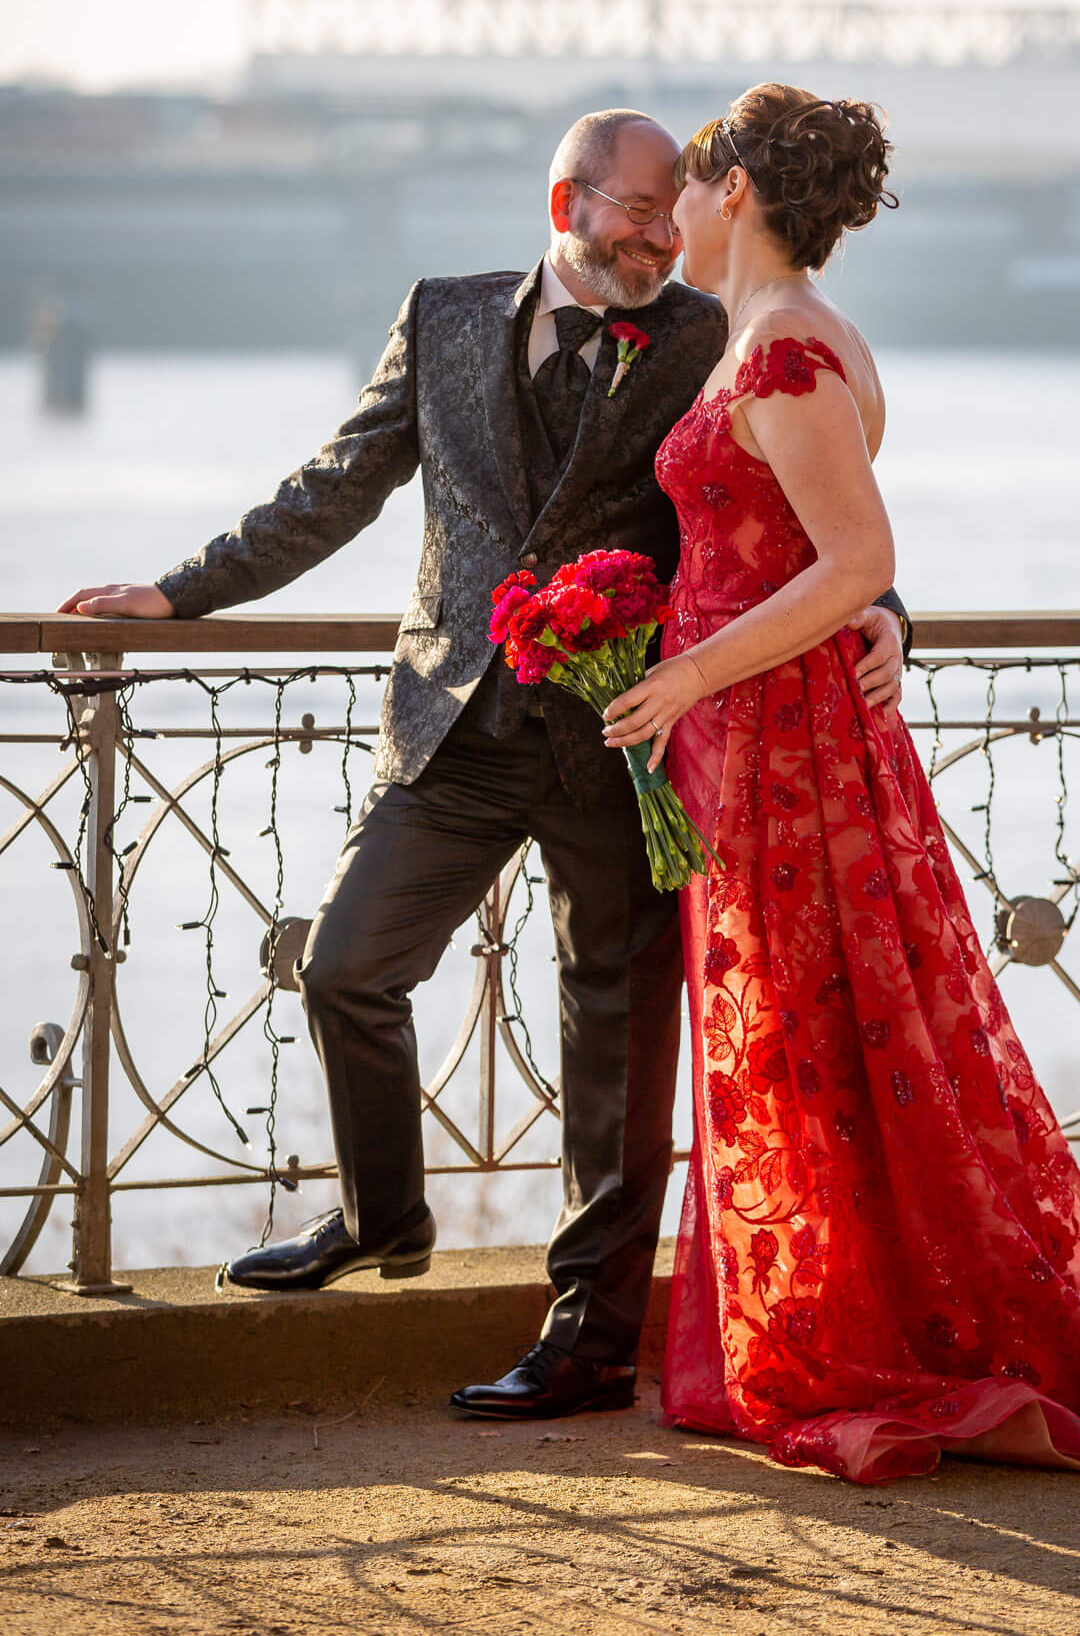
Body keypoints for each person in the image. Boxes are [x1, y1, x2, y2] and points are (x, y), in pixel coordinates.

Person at [57, 105, 909, 1423]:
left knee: (617, 1046)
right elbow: (337, 486)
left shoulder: (717, 331)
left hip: (625, 745)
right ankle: (379, 1217)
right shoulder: (444, 315)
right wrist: (181, 593)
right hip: (452, 728)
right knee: (347, 966)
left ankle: (589, 1343)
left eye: (670, 210)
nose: (658, 235)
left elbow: (803, 510)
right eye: (637, 211)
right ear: (567, 205)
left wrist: (888, 609)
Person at [600, 83, 1080, 1482]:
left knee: (816, 1033)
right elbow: (812, 561)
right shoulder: (768, 339)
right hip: (764, 742)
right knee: (813, 1036)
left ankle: (865, 1331)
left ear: (736, 193)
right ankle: (842, 1306)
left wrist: (692, 672)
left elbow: (858, 559)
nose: (676, 216)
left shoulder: (787, 350)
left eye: (693, 187)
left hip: (787, 753)